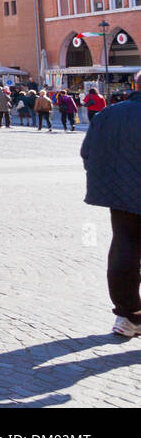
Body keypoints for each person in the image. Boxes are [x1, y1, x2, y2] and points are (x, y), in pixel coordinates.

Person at [82, 69, 141, 335]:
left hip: (123, 196)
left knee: (124, 248)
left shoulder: (109, 114)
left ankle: (128, 315)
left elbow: (87, 153)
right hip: (124, 192)